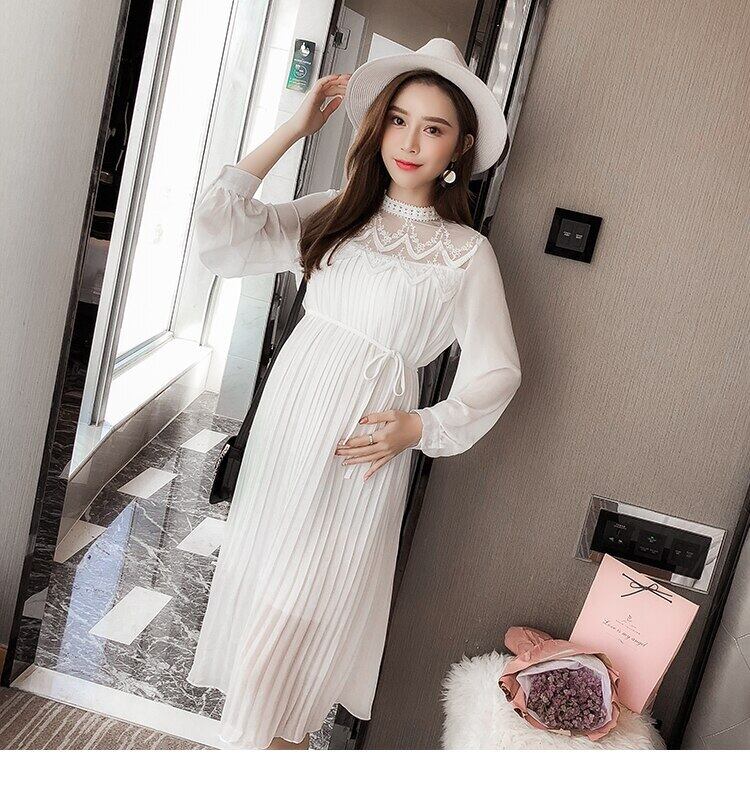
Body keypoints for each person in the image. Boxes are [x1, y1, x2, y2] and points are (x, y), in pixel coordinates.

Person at [186, 38, 522, 750]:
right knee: (267, 617)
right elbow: (220, 229)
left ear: (460, 147)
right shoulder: (335, 213)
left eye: (432, 128)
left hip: (359, 452)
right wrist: (294, 128)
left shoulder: (465, 253)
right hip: (288, 431)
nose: (410, 142)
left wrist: (419, 427)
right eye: (398, 120)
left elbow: (498, 370)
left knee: (293, 628)